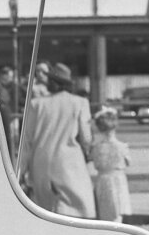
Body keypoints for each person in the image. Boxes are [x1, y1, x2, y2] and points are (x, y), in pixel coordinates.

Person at [20, 62, 96, 218]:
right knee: (78, 209)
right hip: (70, 163)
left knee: (45, 212)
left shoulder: (36, 104)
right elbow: (86, 138)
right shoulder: (80, 103)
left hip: (41, 162)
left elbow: (26, 142)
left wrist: (20, 172)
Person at [89, 107, 132, 223]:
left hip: (102, 180)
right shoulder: (122, 147)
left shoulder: (96, 148)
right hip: (117, 180)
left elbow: (93, 160)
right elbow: (128, 162)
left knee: (104, 213)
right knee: (117, 213)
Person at [0, 66, 19, 150]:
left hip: (12, 114)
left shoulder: (12, 86)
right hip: (4, 115)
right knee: (8, 136)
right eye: (10, 77)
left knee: (15, 136)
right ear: (4, 76)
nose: (11, 79)